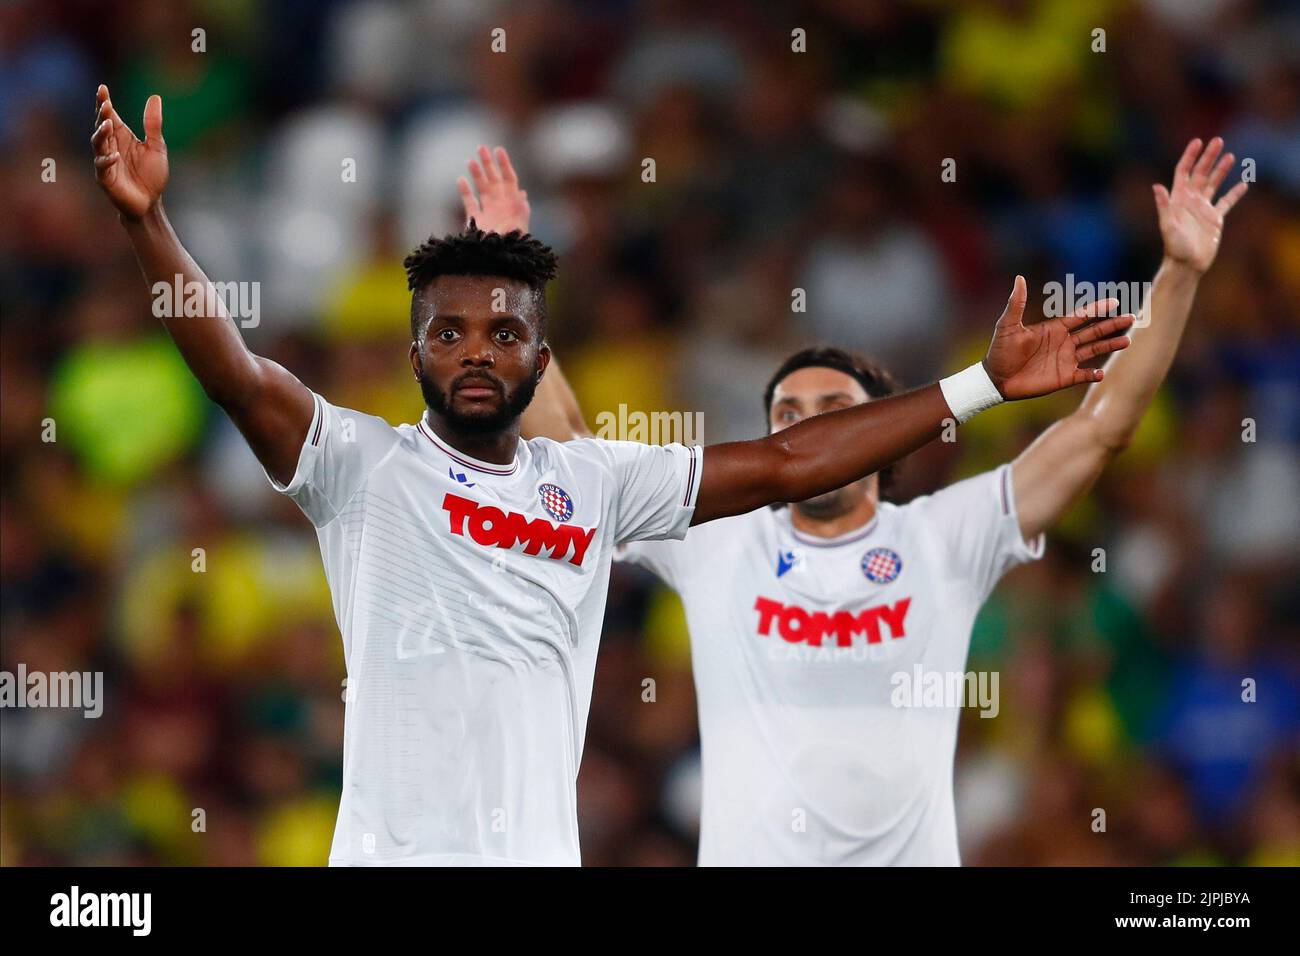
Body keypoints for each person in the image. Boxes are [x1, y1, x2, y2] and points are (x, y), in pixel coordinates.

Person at [91, 88, 1132, 866]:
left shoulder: (595, 481)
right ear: (414, 355)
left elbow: (783, 461)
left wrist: (977, 385)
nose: (475, 350)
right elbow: (232, 369)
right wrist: (148, 224)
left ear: (540, 359)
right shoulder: (359, 466)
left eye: (505, 331)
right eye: (446, 332)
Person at [492, 138, 1248, 864]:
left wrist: (1179, 271)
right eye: (790, 417)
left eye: (837, 412)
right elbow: (571, 444)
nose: (812, 429)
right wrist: (509, 276)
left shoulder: (946, 537)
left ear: (881, 441)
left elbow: (1102, 428)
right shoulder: (715, 539)